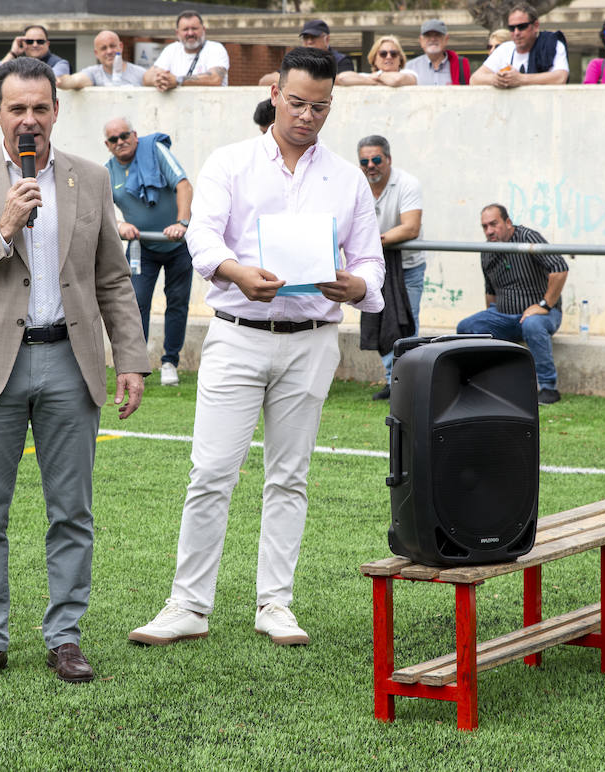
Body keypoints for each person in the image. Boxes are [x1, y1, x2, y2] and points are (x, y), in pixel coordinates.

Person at [129, 47, 385, 648]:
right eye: (297, 102)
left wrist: (358, 285)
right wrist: (236, 272)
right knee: (212, 471)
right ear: (275, 94)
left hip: (313, 339)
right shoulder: (231, 163)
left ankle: (276, 603)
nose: (308, 116)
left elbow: (370, 261)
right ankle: (188, 605)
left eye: (320, 106)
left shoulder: (347, 179)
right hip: (238, 335)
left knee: (290, 476)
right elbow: (202, 237)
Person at [0, 56, 150, 686]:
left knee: (72, 511)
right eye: (17, 108)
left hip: (69, 364)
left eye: (40, 108)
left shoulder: (89, 179)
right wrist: (2, 228)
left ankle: (65, 636)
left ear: (57, 110)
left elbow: (111, 277)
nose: (29, 120)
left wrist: (130, 357)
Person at [103, 117, 193, 387]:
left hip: (178, 244)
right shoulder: (107, 172)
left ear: (135, 135)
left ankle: (170, 362)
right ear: (107, 145)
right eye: (114, 139)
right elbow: (101, 211)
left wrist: (182, 223)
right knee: (135, 304)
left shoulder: (155, 150)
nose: (121, 142)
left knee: (177, 303)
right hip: (141, 247)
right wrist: (119, 225)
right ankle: (136, 365)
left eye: (125, 135)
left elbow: (183, 185)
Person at [456, 204, 568, 405]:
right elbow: (490, 291)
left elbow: (560, 268)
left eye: (493, 224)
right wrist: (491, 320)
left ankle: (549, 389)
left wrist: (544, 305)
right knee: (467, 327)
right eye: (484, 227)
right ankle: (483, 384)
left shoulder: (528, 238)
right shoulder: (487, 250)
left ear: (508, 222)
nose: (489, 231)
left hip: (542, 315)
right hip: (505, 316)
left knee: (532, 324)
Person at [359, 134, 424, 400]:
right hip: (371, 268)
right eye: (364, 161)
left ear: (388, 159)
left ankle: (410, 383)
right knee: (377, 322)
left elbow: (411, 227)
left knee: (406, 325)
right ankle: (392, 380)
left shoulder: (407, 183)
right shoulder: (356, 183)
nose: (370, 166)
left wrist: (373, 241)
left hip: (408, 268)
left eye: (376, 159)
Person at [471, 3, 569, 87]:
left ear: (535, 26)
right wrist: (496, 79)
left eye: (522, 27)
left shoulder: (552, 44)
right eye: (512, 28)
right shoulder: (504, 49)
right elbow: (475, 79)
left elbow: (560, 77)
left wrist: (521, 79)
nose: (516, 32)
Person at [145, 11, 229, 90]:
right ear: (177, 33)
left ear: (203, 30)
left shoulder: (215, 49)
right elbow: (146, 77)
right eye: (185, 29)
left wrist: (178, 80)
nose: (190, 33)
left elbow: (215, 79)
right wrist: (160, 80)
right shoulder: (171, 50)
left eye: (194, 28)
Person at [258, 19, 355, 85]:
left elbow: (345, 80)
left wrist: (295, 79)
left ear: (327, 39)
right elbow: (264, 81)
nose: (309, 41)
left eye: (314, 37)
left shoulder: (341, 60)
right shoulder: (296, 61)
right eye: (306, 37)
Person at [57, 30, 146, 89]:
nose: (109, 51)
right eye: (103, 48)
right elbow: (74, 81)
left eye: (112, 46)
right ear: (96, 53)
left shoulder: (139, 73)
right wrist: (58, 80)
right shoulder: (93, 73)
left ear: (121, 47)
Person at [0, 24, 70, 81]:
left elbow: (50, 81)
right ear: (23, 43)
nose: (35, 45)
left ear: (47, 44)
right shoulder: (15, 62)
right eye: (29, 41)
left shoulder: (60, 64)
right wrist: (13, 53)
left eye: (40, 41)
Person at [406, 19, 470, 85]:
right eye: (428, 35)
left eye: (437, 35)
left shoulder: (461, 66)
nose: (433, 39)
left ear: (446, 39)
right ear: (421, 40)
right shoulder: (410, 67)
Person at [338, 34, 417, 87]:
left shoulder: (409, 74)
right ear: (374, 59)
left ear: (400, 59)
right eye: (383, 53)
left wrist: (377, 76)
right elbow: (342, 78)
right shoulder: (369, 77)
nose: (389, 57)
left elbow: (396, 80)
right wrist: (374, 81)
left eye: (393, 53)